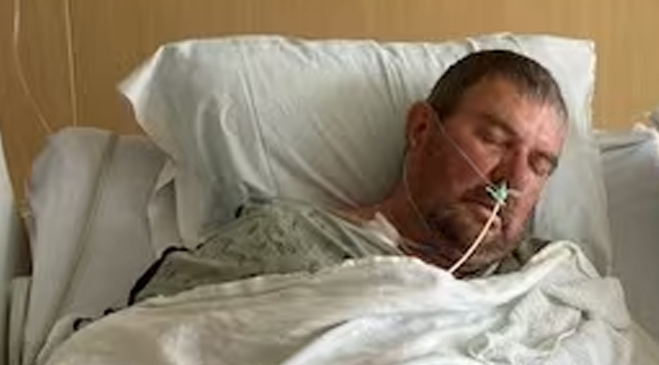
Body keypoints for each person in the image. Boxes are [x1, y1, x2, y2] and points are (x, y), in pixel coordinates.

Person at [130, 49, 569, 303]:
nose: (513, 178)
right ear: (421, 129)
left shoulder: (552, 281)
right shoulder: (285, 238)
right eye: (494, 139)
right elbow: (148, 340)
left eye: (539, 164)